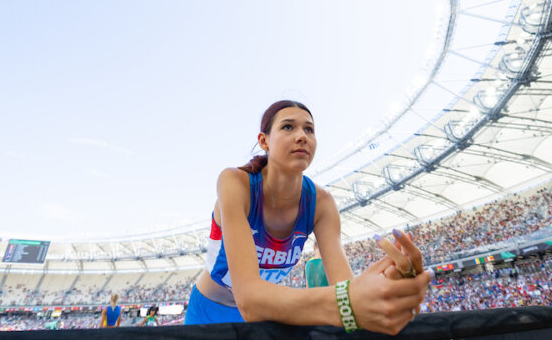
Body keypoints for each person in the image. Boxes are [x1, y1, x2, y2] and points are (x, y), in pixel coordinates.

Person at [184, 100, 431, 335]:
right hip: (207, 312)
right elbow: (248, 299)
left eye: (309, 129)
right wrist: (350, 302)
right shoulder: (235, 183)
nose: (302, 135)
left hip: (269, 313)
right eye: (288, 127)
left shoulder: (321, 203)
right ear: (264, 141)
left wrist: (387, 287)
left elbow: (344, 285)